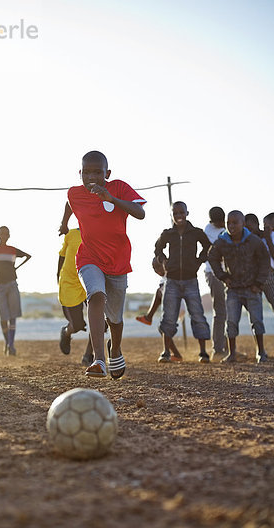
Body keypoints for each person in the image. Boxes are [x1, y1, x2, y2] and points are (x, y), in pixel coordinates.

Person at [60, 150, 146, 378]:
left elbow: (140, 213)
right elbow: (70, 203)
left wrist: (112, 199)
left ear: (107, 173)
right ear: (80, 173)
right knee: (95, 295)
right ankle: (98, 359)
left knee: (115, 319)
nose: (91, 176)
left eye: (97, 172)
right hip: (89, 257)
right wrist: (64, 224)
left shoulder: (118, 187)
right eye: (86, 172)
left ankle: (115, 349)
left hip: (118, 262)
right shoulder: (75, 193)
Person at [208, 210, 270, 363]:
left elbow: (264, 260)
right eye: (228, 222)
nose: (231, 226)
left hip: (252, 288)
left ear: (243, 224)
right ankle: (232, 353)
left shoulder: (253, 241)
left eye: (235, 222)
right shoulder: (222, 241)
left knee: (257, 320)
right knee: (231, 322)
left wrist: (259, 283)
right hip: (233, 289)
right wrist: (223, 277)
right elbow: (212, 257)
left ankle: (261, 352)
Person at [154, 201, 211, 363]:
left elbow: (207, 246)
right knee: (168, 316)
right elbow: (158, 248)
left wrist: (199, 261)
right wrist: (163, 260)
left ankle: (203, 352)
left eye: (181, 213)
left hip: (190, 280)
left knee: (197, 314)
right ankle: (165, 352)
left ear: (187, 213)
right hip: (171, 280)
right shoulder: (167, 234)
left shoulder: (196, 232)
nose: (179, 216)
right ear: (171, 214)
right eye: (175, 213)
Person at [0, 226, 31, 355]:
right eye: (2, 234)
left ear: (9, 236)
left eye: (6, 234)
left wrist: (15, 268)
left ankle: (11, 344)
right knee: (3, 316)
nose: (4, 236)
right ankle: (7, 342)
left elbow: (28, 256)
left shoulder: (12, 250)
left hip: (12, 284)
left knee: (13, 315)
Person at [244, 213, 274, 341]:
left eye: (250, 227)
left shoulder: (272, 235)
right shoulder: (245, 239)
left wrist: (267, 237)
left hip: (268, 277)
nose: (248, 230)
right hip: (252, 279)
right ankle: (260, 350)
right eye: (245, 228)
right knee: (255, 316)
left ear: (257, 224)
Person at [57, 228, 93, 366]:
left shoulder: (98, 233)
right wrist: (58, 278)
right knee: (77, 325)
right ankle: (66, 332)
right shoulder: (71, 234)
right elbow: (62, 257)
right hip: (70, 282)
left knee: (100, 321)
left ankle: (88, 354)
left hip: (90, 280)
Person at [136, 257, 183, 361]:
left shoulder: (171, 275)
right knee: (162, 328)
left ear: (164, 264)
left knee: (164, 326)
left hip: (178, 305)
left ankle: (167, 353)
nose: (155, 270)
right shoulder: (165, 277)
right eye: (153, 268)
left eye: (156, 267)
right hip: (174, 304)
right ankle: (176, 355)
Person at [204, 206, 227, 360]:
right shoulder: (210, 231)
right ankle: (217, 349)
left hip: (227, 272)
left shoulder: (223, 228)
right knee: (219, 311)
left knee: (227, 310)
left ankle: (226, 347)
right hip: (214, 273)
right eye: (219, 221)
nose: (221, 223)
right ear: (212, 221)